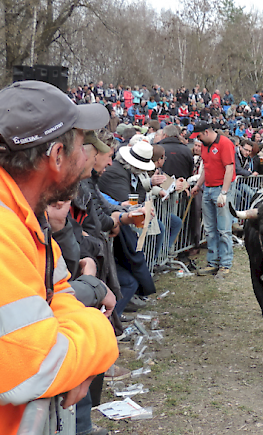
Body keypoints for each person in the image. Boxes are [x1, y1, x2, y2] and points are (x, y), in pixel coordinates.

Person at [0, 81, 118, 434]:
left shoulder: (24, 218)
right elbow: (38, 366)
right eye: (82, 146)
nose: (87, 160)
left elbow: (60, 293)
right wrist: (98, 332)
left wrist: (73, 352)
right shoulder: (5, 229)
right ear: (56, 157)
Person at [190, 121, 236, 277]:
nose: (198, 139)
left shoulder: (225, 143)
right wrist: (198, 185)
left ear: (206, 132)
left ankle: (225, 264)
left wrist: (224, 192)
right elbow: (206, 167)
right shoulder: (204, 145)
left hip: (220, 188)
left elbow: (229, 168)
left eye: (199, 136)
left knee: (223, 229)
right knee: (210, 229)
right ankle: (213, 262)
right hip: (208, 188)